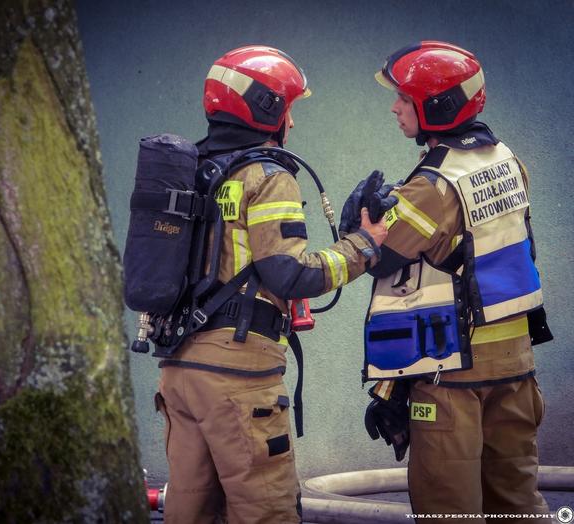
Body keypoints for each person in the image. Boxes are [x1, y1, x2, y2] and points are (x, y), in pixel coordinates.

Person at [154, 45, 388, 524]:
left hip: (179, 373)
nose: (292, 123)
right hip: (238, 380)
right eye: (289, 109)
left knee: (190, 512)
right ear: (265, 108)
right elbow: (291, 273)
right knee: (266, 512)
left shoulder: (192, 172)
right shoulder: (267, 175)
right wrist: (363, 245)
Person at [355, 41, 553, 523]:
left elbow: (380, 257)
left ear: (435, 106)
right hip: (516, 367)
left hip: (455, 377)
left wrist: (357, 224)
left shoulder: (433, 184)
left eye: (404, 98)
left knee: (449, 509)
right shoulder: (507, 160)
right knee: (518, 503)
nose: (395, 107)